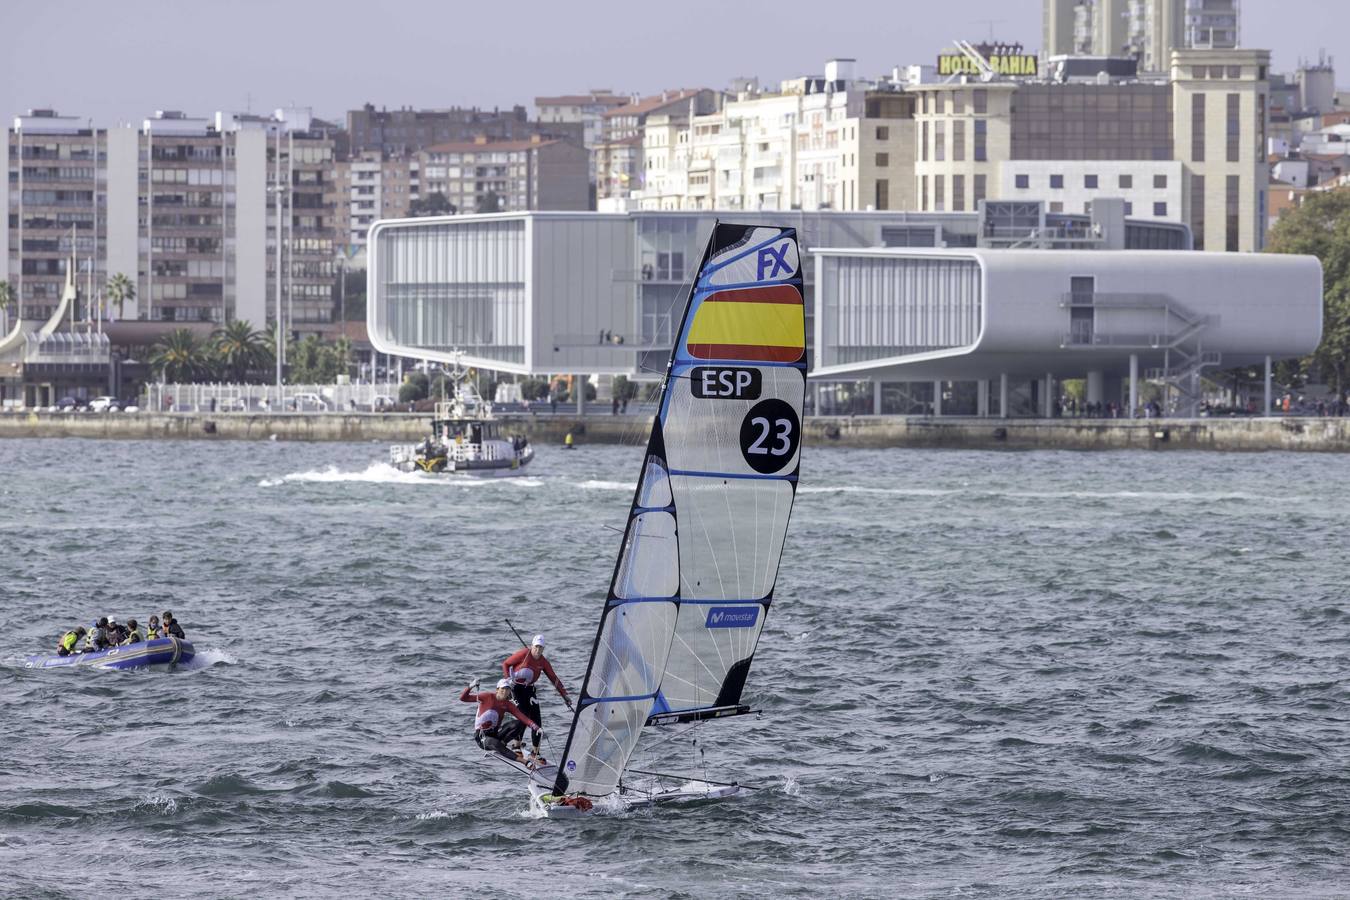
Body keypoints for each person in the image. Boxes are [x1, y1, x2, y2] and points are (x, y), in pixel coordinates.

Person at [502, 634, 572, 763]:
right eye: (536, 647)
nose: (538, 650)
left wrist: (564, 694)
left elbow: (553, 677)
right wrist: (507, 681)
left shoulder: (543, 661)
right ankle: (517, 745)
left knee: (537, 721)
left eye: (541, 648)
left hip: (529, 689)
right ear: (532, 646)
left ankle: (535, 752)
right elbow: (506, 664)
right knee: (523, 717)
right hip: (516, 688)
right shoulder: (524, 654)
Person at [461, 677, 539, 762]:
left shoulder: (507, 704)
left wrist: (536, 727)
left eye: (507, 689)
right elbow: (463, 698)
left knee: (519, 724)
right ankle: (524, 762)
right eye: (503, 689)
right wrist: (470, 686)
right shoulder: (487, 696)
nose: (505, 692)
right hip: (482, 738)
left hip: (495, 734)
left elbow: (522, 717)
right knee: (494, 743)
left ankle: (502, 744)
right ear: (497, 689)